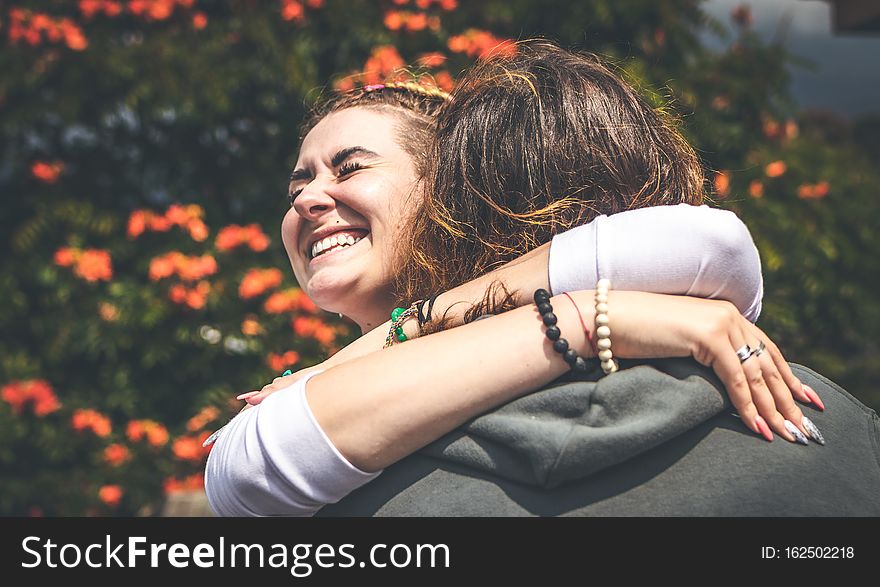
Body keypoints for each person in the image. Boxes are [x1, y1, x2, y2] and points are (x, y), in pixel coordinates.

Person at [204, 41, 879, 517]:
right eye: (299, 181)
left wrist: (574, 315)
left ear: (446, 199)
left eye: (350, 169)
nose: (307, 199)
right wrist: (591, 314)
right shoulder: (847, 433)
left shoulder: (367, 488)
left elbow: (709, 242)